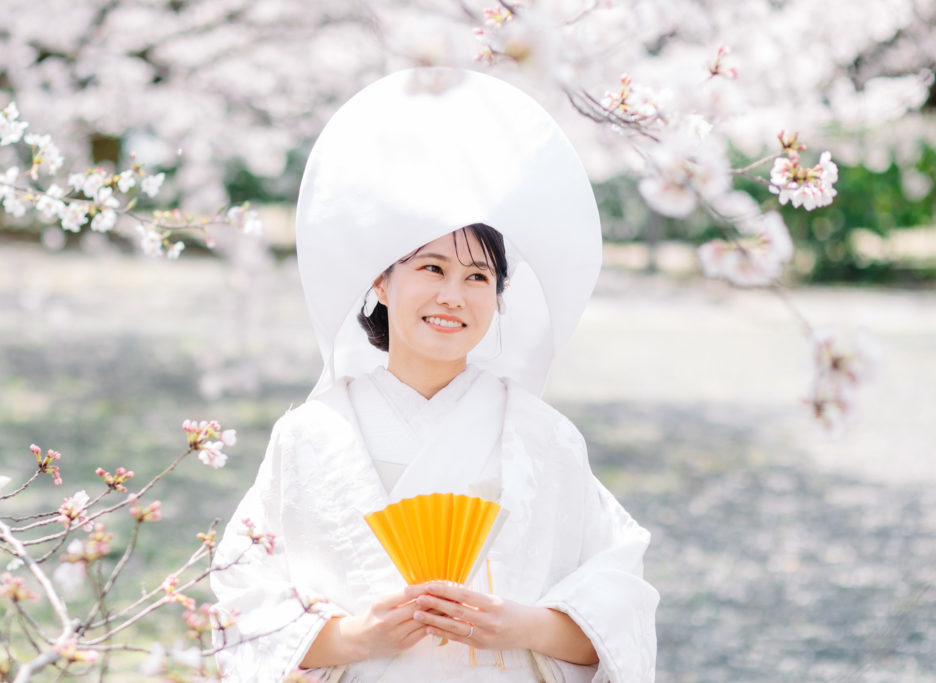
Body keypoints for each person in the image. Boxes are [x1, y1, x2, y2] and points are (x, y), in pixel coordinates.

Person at [210, 68, 658, 683]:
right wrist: (354, 638)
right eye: (431, 268)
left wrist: (522, 626)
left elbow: (619, 603)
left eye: (478, 277)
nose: (453, 295)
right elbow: (243, 599)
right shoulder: (311, 436)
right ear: (380, 280)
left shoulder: (542, 437)